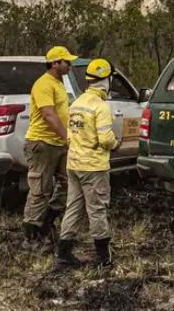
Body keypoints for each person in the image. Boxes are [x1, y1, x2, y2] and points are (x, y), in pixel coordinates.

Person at [56, 58, 120, 268]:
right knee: (97, 210)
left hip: (74, 164)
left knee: (73, 208)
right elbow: (105, 139)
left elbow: (69, 136)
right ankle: (103, 257)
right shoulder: (100, 107)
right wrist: (115, 143)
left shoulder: (77, 103)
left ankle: (63, 254)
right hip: (94, 167)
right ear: (106, 80)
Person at [22, 45, 77, 243]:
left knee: (68, 184)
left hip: (59, 144)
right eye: (66, 62)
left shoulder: (60, 83)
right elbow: (48, 115)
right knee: (40, 190)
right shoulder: (43, 84)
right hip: (42, 144)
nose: (70, 65)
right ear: (55, 64)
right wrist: (67, 137)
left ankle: (47, 222)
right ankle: (31, 235)